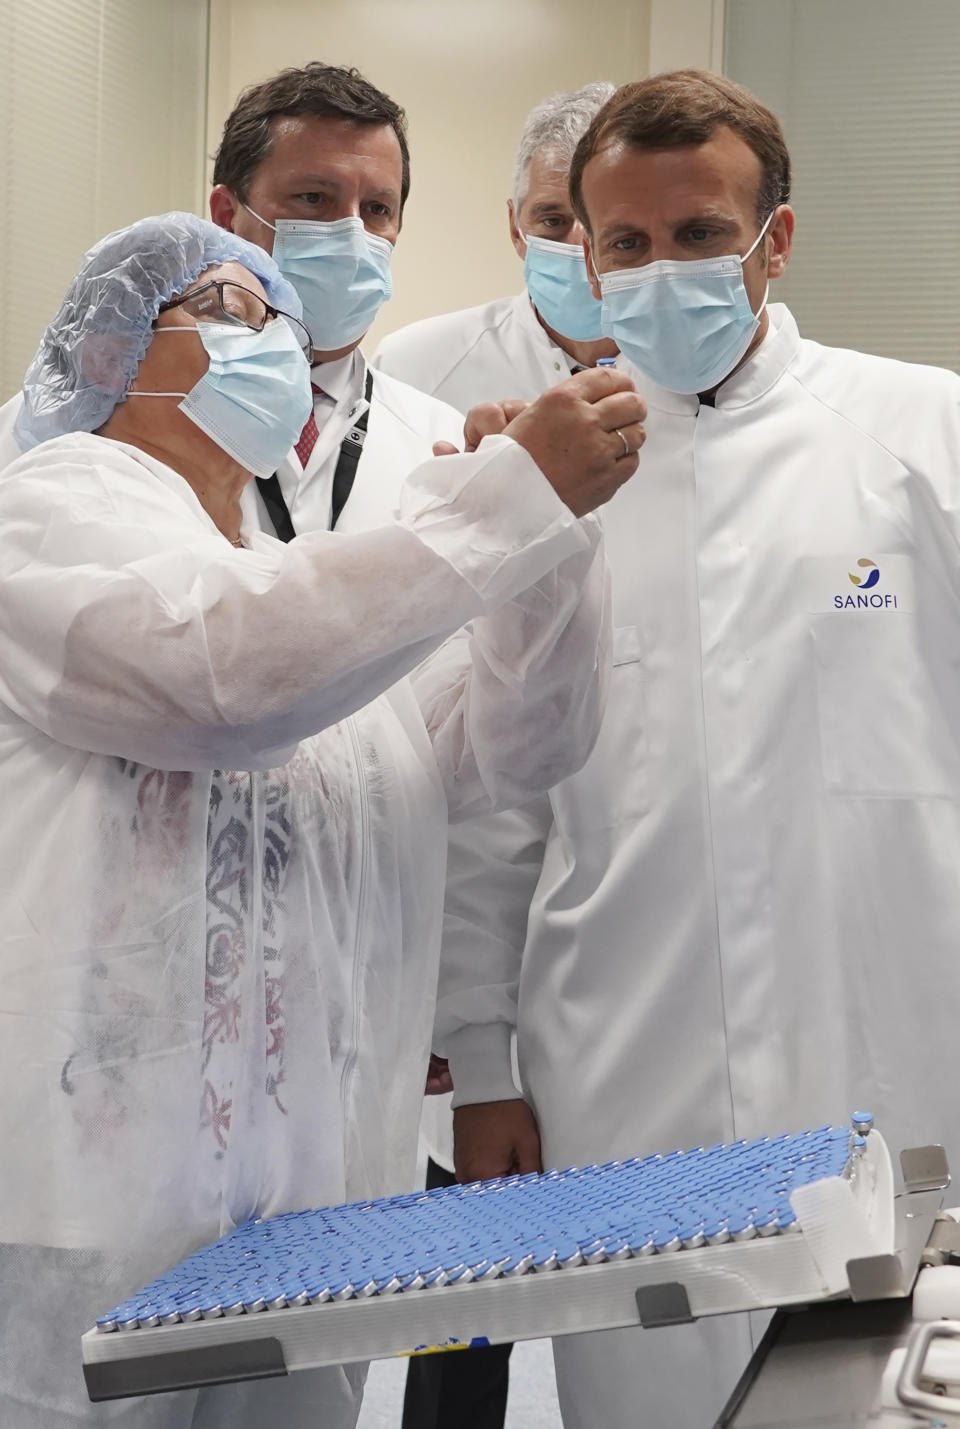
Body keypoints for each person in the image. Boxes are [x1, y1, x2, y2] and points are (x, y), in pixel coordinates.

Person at [0, 211, 645, 1429]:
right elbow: (217, 680)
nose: (275, 345)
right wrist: (501, 505)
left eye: (285, 330)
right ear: (107, 356)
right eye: (234, 314)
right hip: (87, 1216)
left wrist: (545, 550)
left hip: (300, 1230)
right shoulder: (47, 508)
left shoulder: (277, 567)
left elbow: (510, 751)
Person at [433, 69, 960, 1429]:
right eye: (627, 244)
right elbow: (495, 801)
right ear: (584, 254)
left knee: (884, 1391)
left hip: (891, 1029)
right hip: (623, 1062)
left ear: (773, 243)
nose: (661, 270)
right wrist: (482, 1063)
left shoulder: (920, 434)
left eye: (701, 237)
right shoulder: (545, 481)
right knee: (646, 1393)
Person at [375, 82, 620, 1429]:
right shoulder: (414, 386)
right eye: (553, 221)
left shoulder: (713, 411)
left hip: (635, 964)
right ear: (511, 222)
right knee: (455, 1344)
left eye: (616, 226)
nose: (586, 254)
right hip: (459, 990)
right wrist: (481, 1048)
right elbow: (446, 758)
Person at [208, 62, 468, 542]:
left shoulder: (444, 442)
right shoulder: (133, 413)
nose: (352, 234)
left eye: (376, 210)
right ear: (226, 218)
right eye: (313, 197)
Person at [373, 82, 618, 412]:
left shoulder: (692, 370)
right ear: (516, 229)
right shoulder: (413, 367)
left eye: (599, 223)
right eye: (553, 221)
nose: (578, 246)